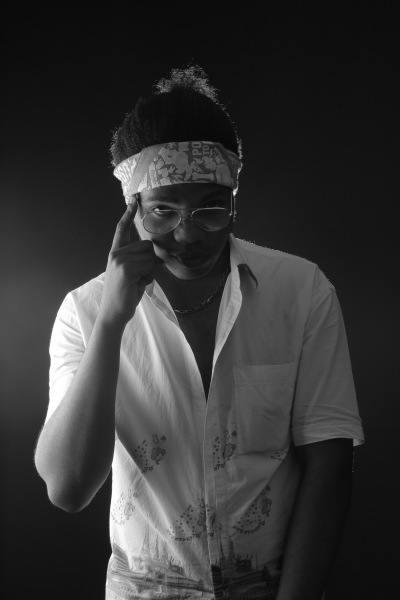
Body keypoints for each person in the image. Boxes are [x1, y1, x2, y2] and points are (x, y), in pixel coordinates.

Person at [34, 65, 365, 600]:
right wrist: (113, 321)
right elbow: (68, 488)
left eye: (210, 208)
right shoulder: (85, 310)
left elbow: (329, 468)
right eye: (163, 211)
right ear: (132, 210)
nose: (188, 235)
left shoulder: (301, 290)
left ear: (234, 200)